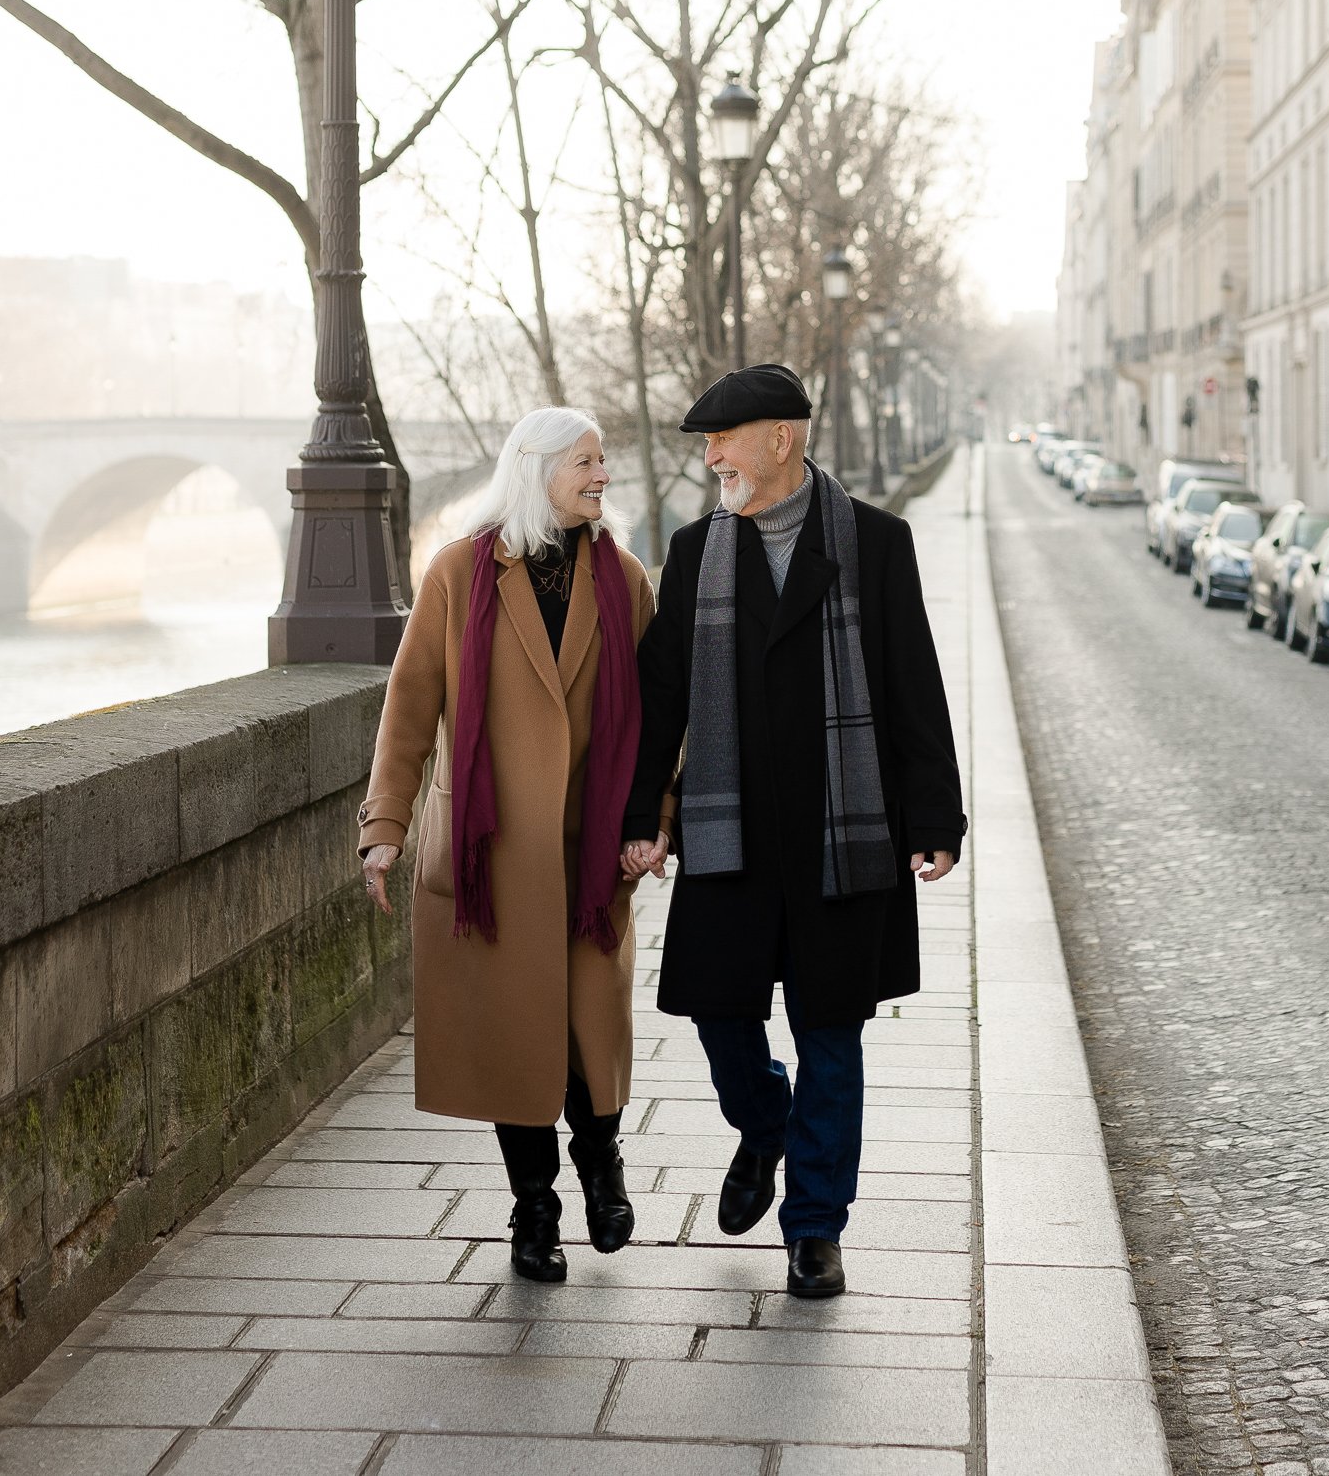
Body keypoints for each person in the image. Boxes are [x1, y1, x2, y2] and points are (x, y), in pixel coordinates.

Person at [621, 363, 967, 1300]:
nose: (711, 457)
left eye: (723, 440)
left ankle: (815, 1226)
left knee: (832, 1035)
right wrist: (639, 812)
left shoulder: (877, 545)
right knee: (718, 1015)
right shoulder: (697, 554)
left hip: (838, 836)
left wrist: (936, 813)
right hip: (730, 832)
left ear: (782, 438)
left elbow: (913, 683)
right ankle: (762, 1121)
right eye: (704, 444)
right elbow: (660, 696)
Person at [359, 407, 661, 1285]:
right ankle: (535, 1212)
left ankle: (600, 1162)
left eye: (603, 461)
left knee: (583, 1034)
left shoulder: (627, 579)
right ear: (536, 469)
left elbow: (655, 722)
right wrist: (383, 831)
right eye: (587, 462)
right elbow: (409, 711)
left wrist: (656, 823)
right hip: (492, 858)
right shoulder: (459, 574)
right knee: (514, 1042)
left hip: (589, 856)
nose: (603, 476)